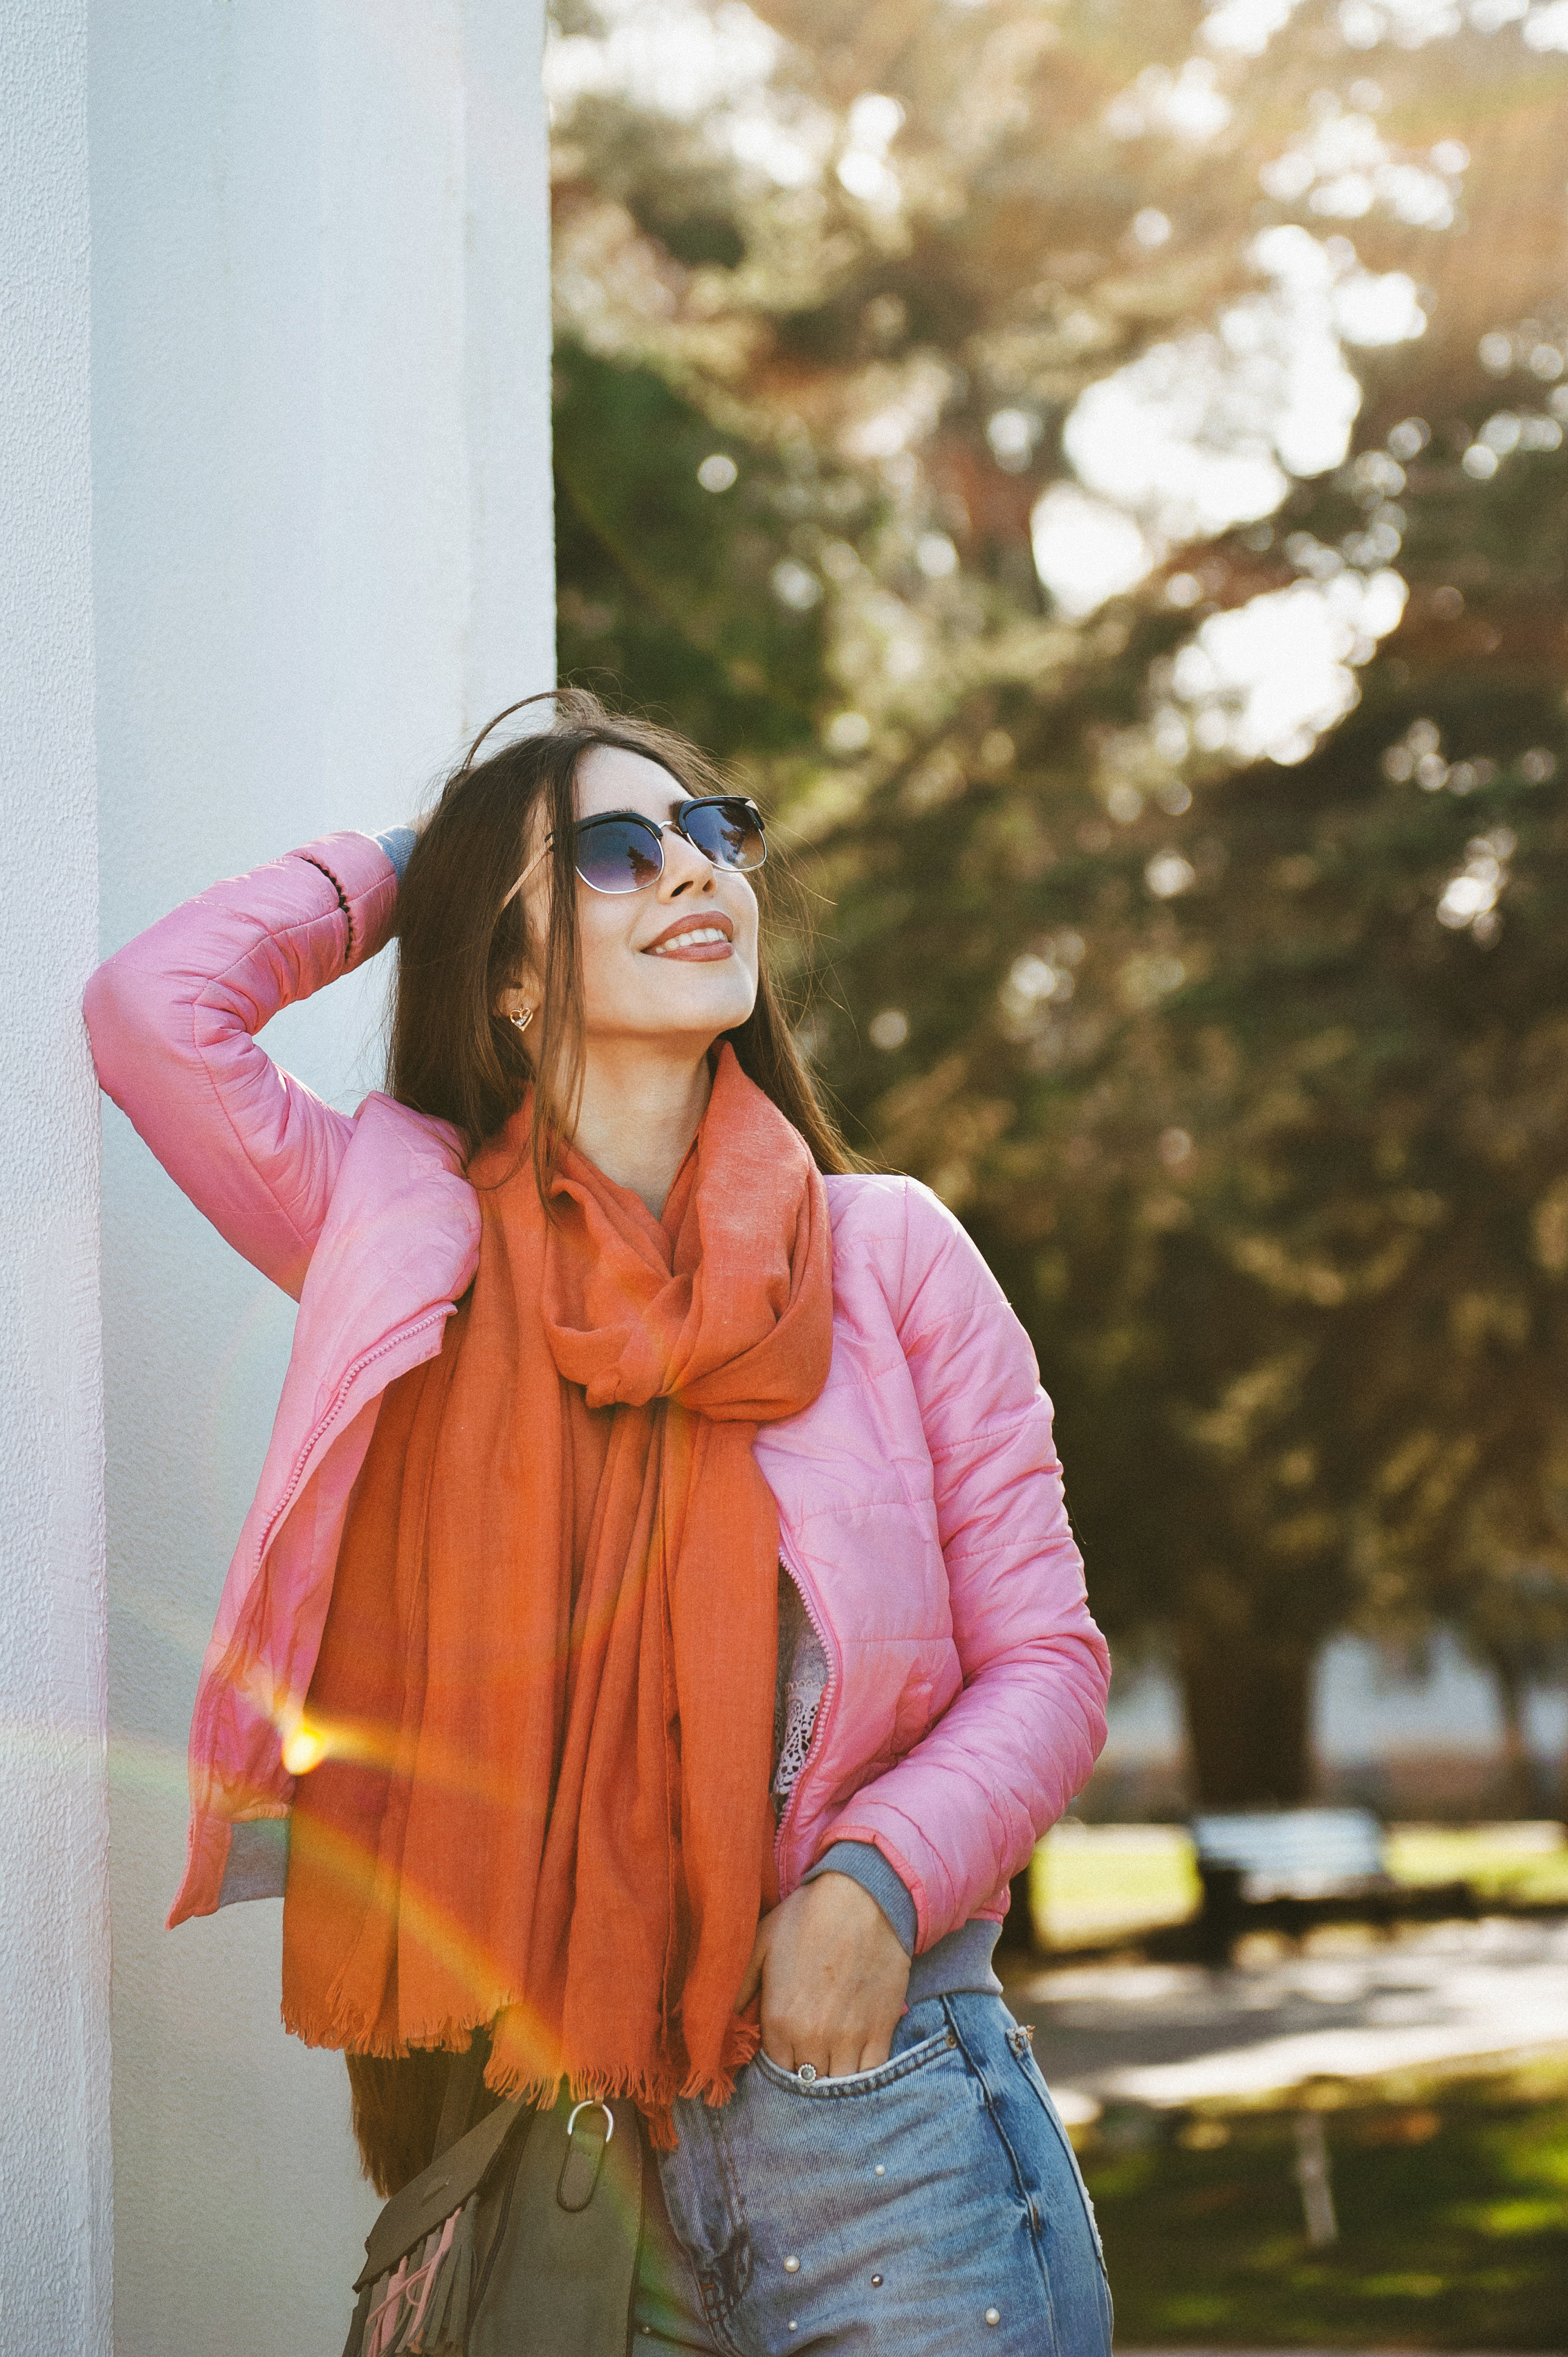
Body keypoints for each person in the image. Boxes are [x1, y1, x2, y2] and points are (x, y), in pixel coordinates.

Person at [84, 688, 1113, 2354]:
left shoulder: (895, 1258)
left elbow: (1050, 1665)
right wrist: (431, 858)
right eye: (620, 857)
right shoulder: (399, 1243)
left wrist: (875, 1884)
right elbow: (153, 1014)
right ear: (506, 972)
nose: (696, 873)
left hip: (879, 2121)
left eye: (717, 836)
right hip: (561, 2168)